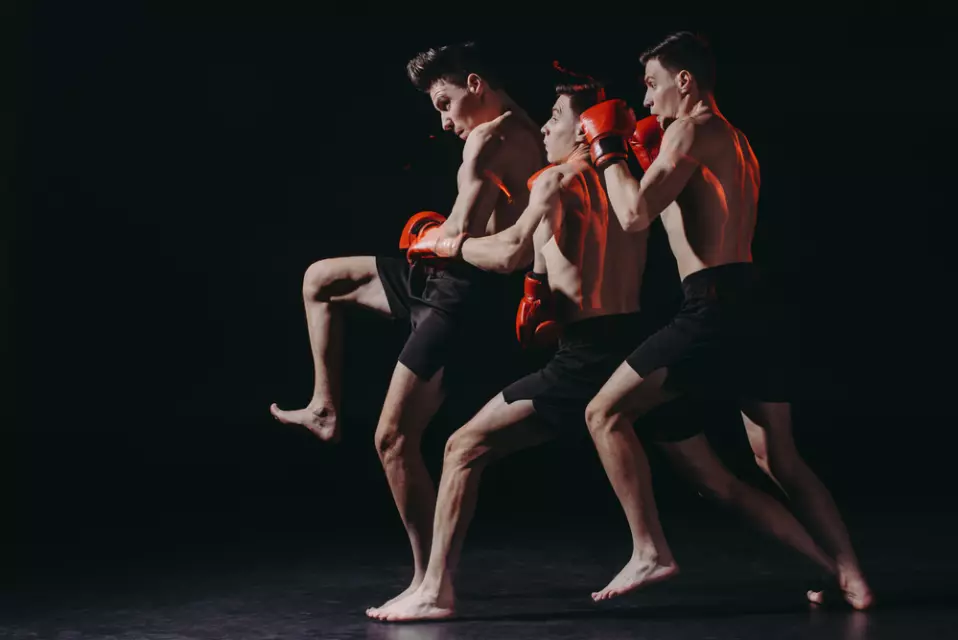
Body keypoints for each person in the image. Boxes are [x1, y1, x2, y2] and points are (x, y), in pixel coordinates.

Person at [365, 71, 838, 623]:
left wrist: (449, 243)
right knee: (718, 482)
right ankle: (832, 570)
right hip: (634, 346)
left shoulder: (554, 181)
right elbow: (555, 257)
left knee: (462, 449)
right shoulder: (624, 181)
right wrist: (538, 289)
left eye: (556, 119)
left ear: (585, 129)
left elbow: (509, 253)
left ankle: (435, 591)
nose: (544, 129)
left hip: (587, 356)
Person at [561, 31, 872, 609]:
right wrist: (643, 161)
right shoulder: (735, 139)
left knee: (603, 413)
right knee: (779, 458)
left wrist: (608, 148)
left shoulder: (689, 130)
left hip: (714, 304)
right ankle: (852, 577)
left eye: (652, 84)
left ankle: (649, 550)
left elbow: (632, 215)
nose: (646, 99)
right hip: (753, 301)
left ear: (684, 80)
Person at [269, 41, 546, 610]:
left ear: (475, 84)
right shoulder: (523, 128)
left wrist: (432, 234)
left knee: (393, 440)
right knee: (321, 279)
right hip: (439, 280)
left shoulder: (490, 140)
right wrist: (436, 238)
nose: (443, 122)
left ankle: (429, 583)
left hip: (460, 296)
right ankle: (324, 407)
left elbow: (459, 237)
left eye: (445, 103)